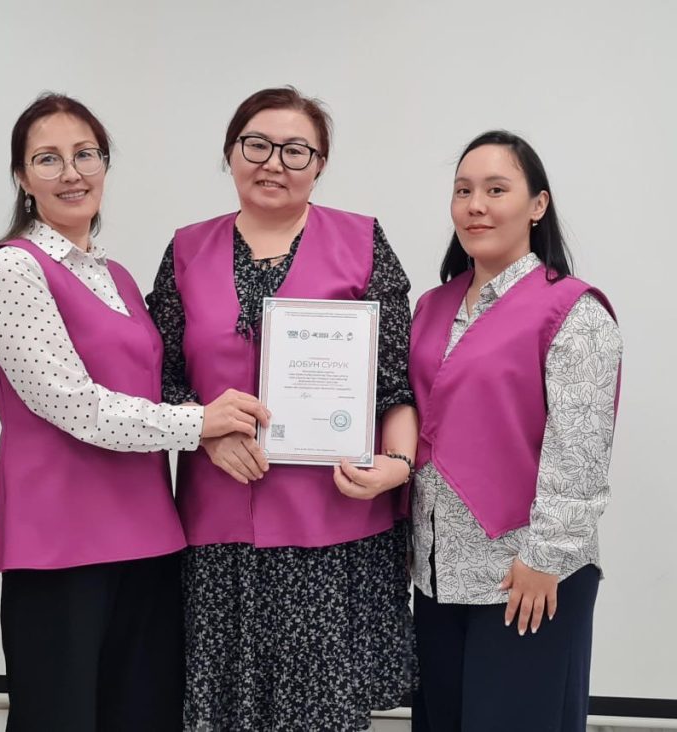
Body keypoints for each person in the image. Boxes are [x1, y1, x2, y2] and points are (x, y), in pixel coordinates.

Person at [0, 93, 267, 731]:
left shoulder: (120, 278)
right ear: (22, 176)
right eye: (47, 159)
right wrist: (200, 424)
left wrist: (216, 425)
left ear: (104, 165)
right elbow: (72, 403)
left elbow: (155, 387)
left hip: (149, 535)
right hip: (60, 544)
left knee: (146, 717)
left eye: (86, 155)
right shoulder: (11, 268)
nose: (71, 172)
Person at [147, 86, 418, 731]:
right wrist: (206, 433)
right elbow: (162, 378)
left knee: (320, 713)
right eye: (257, 145)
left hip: (333, 525)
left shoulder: (362, 243)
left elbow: (396, 383)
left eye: (296, 151)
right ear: (230, 153)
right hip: (219, 531)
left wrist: (399, 464)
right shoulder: (186, 250)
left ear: (319, 164)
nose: (274, 163)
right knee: (223, 710)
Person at [408, 130, 623, 731]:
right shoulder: (431, 306)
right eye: (463, 191)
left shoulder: (573, 310)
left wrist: (544, 559)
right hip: (435, 574)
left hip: (523, 575)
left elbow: (579, 450)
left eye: (496, 190)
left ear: (537, 205)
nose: (476, 205)